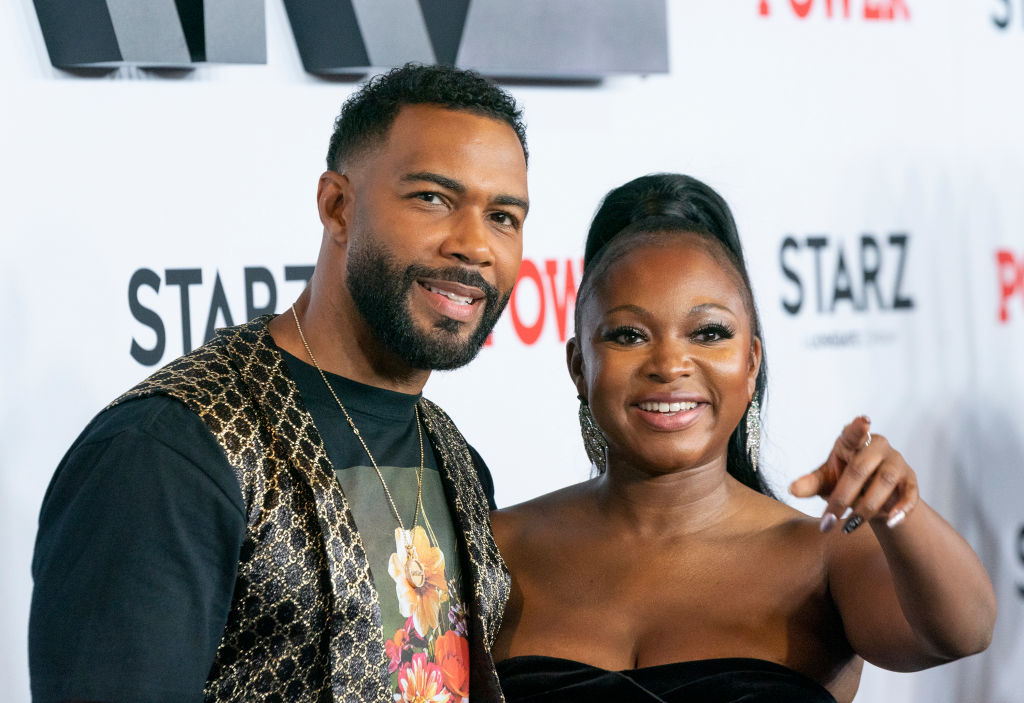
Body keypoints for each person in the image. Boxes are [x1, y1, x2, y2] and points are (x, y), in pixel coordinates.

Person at [30, 63, 528, 703]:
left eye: (503, 216)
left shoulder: (458, 463)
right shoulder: (167, 452)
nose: (475, 245)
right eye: (432, 198)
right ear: (337, 207)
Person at [490, 174, 996, 702]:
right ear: (578, 365)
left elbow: (964, 632)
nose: (670, 365)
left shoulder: (824, 557)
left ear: (751, 361)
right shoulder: (493, 549)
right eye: (629, 335)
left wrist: (899, 511)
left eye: (708, 333)